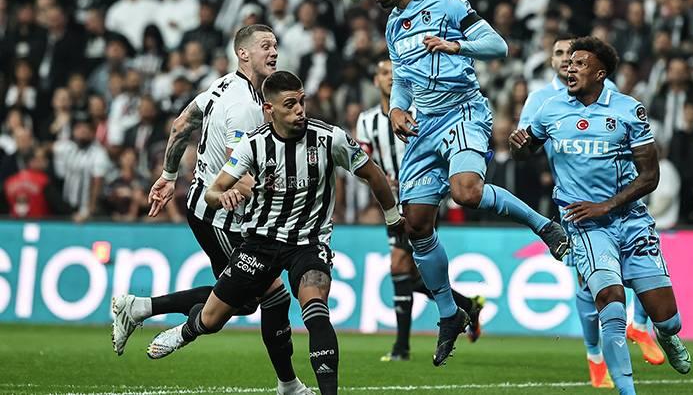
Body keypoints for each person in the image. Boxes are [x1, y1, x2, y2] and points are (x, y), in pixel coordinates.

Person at [369, 0, 568, 367]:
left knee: (466, 192)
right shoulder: (391, 25)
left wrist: (454, 46)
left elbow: (497, 46)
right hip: (424, 123)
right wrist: (396, 109)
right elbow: (402, 78)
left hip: (462, 109)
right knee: (416, 224)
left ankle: (545, 227)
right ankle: (449, 313)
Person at [146, 71, 404, 395]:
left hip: (308, 242)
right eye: (290, 104)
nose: (300, 111)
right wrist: (222, 196)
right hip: (260, 242)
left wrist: (393, 217)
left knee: (315, 306)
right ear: (269, 110)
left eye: (302, 102)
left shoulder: (329, 139)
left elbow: (372, 173)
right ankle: (188, 331)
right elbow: (214, 191)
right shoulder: (252, 144)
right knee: (211, 320)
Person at [111, 25, 312, 395]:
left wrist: (169, 175)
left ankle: (138, 308)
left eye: (276, 46)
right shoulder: (245, 109)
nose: (274, 52)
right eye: (265, 46)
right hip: (220, 216)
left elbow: (181, 124)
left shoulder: (223, 86)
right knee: (269, 297)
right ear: (243, 53)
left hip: (210, 209)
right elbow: (241, 172)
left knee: (246, 299)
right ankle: (289, 385)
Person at [509, 37, 691, 395]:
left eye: (579, 64)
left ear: (600, 73)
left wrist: (607, 205)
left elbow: (649, 177)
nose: (570, 68)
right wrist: (518, 149)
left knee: (668, 318)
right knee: (609, 299)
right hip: (585, 225)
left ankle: (666, 335)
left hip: (632, 221)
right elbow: (526, 151)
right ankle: (627, 391)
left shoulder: (628, 110)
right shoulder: (549, 109)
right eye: (568, 63)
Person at [356, 59, 485, 362]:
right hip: (391, 203)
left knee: (400, 266)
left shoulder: (422, 112)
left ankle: (402, 347)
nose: (390, 78)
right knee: (411, 276)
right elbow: (362, 162)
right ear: (376, 80)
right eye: (384, 73)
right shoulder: (367, 121)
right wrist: (379, 179)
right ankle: (466, 305)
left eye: (394, 72)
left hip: (420, 197)